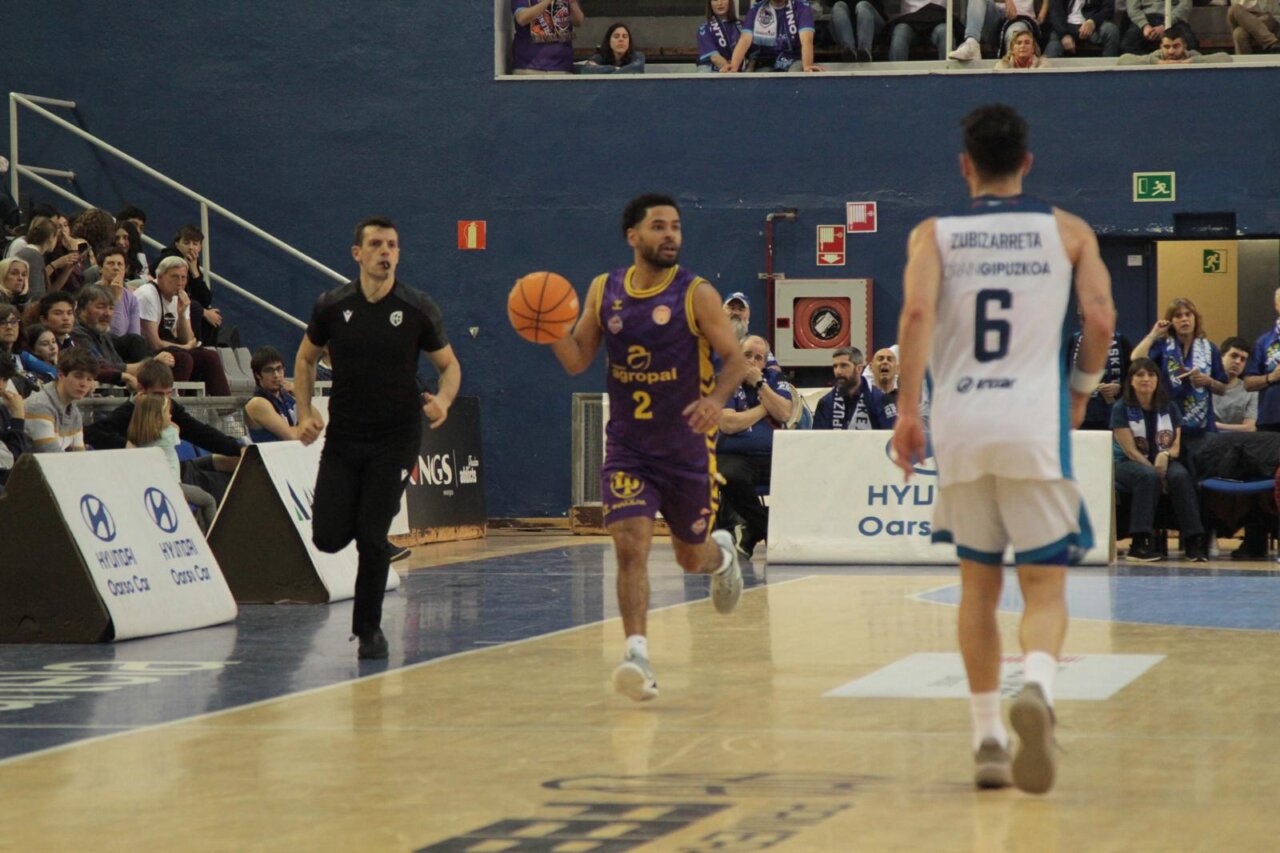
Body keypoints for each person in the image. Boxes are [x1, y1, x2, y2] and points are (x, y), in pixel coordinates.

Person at [891, 104, 1116, 795]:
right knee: (1043, 584)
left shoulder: (934, 235)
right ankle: (1039, 686)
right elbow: (1101, 318)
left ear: (966, 167)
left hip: (960, 424)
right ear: (1027, 162)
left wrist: (906, 411)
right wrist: (1081, 391)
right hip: (1032, 424)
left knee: (977, 586)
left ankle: (988, 735)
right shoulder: (1068, 232)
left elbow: (917, 316)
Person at [548, 193, 748, 702]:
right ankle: (637, 654)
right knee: (630, 545)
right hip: (628, 447)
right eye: (659, 227)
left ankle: (720, 557)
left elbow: (735, 360)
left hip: (685, 449)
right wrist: (547, 328)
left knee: (688, 558)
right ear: (632, 236)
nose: (671, 236)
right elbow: (576, 361)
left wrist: (716, 399)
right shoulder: (604, 290)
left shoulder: (696, 293)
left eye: (676, 227)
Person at [293, 216, 461, 660]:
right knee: (328, 537)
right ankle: (353, 534)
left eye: (393, 245)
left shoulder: (417, 308)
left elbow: (450, 366)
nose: (386, 252)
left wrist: (444, 399)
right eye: (377, 244)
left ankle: (369, 631)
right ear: (358, 254)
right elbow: (306, 359)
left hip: (397, 437)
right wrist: (304, 410)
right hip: (345, 436)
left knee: (372, 534)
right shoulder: (332, 305)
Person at [1111, 358, 1206, 561]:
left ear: (1157, 380)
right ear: (1131, 381)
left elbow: (1176, 447)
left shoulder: (1169, 407)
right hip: (1127, 463)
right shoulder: (1121, 408)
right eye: (1140, 375)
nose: (1146, 379)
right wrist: (1156, 472)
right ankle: (1138, 543)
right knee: (1147, 477)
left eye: (1151, 374)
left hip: (1165, 460)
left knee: (1180, 476)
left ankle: (1193, 541)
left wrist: (1164, 455)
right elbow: (1130, 451)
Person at [716, 334, 793, 561]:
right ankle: (768, 527)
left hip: (774, 456)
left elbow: (785, 413)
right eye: (747, 355)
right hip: (736, 456)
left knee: (802, 474)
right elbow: (728, 424)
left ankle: (751, 533)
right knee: (727, 475)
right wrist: (764, 409)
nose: (751, 361)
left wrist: (760, 384)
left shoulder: (776, 380)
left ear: (764, 362)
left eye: (758, 357)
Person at [1131, 297, 1227, 467]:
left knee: (1203, 474)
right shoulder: (1163, 346)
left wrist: (1208, 381)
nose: (1184, 319)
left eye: (1188, 314)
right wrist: (1154, 334)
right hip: (1169, 423)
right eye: (1178, 316)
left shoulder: (1209, 348)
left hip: (1202, 427)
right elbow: (1136, 358)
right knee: (1175, 475)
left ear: (1195, 318)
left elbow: (1222, 388)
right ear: (1171, 321)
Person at [135, 256, 231, 395]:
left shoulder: (181, 296)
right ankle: (176, 407)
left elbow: (188, 338)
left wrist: (181, 313)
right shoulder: (147, 295)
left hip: (171, 348)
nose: (180, 283)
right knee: (183, 359)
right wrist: (184, 348)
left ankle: (226, 413)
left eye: (183, 278)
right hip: (147, 353)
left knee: (209, 357)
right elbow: (154, 343)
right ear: (160, 276)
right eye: (174, 277)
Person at [127, 393, 218, 532]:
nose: (171, 416)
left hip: (150, 487)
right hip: (173, 486)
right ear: (157, 418)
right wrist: (168, 423)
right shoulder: (168, 434)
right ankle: (214, 539)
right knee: (208, 500)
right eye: (167, 413)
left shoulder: (136, 438)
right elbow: (177, 428)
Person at [24, 346, 98, 452]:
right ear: (61, 375)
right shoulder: (39, 406)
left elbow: (81, 457)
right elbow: (52, 456)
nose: (84, 384)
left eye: (89, 379)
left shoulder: (74, 413)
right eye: (78, 376)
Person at [1066, 321, 1130, 431]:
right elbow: (1064, 374)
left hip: (1111, 411)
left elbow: (1132, 374)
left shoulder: (1121, 341)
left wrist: (1120, 387)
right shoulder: (1074, 340)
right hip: (1082, 411)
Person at [727, 0, 825, 72]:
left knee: (795, 76)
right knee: (760, 82)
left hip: (794, 59)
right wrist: (733, 67)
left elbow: (806, 39)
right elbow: (744, 40)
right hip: (767, 61)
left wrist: (807, 65)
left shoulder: (801, 6)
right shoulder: (756, 9)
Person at [813, 346, 890, 429]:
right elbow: (817, 439)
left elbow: (890, 436)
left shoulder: (879, 400)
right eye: (835, 366)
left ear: (859, 369)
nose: (838, 371)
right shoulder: (826, 403)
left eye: (844, 365)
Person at [512, 0, 586, 74]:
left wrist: (573, 3)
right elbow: (521, 18)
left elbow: (578, 21)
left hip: (563, 67)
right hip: (530, 67)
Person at [0, 355, 32, 491]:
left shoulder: (2, 409)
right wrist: (18, 417)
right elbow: (13, 464)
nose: (1, 385)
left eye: (5, 379)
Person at [1045, 0, 1120, 57]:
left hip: (1093, 24)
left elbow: (1108, 8)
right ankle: (1046, 74)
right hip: (1066, 25)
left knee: (1111, 30)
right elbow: (1055, 11)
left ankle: (1108, 71)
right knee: (1054, 46)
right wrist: (1064, 34)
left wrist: (1093, 21)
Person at [1117, 26, 1228, 63]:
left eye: (1176, 46)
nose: (1171, 51)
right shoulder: (1157, 56)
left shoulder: (1192, 55)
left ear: (1184, 46)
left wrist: (1192, 62)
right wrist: (1157, 62)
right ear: (1161, 47)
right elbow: (1123, 60)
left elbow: (1225, 58)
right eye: (1167, 47)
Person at [697, 0, 743, 71]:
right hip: (710, 72)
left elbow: (752, 55)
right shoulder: (704, 28)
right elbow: (714, 57)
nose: (719, 3)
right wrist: (732, 71)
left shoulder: (741, 26)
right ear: (710, 4)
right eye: (715, 0)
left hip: (736, 72)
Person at [582, 23, 646, 73]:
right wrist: (615, 69)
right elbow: (587, 70)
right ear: (609, 41)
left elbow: (635, 69)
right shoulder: (599, 57)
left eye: (625, 36)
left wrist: (605, 70)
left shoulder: (638, 57)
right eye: (616, 36)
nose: (621, 39)